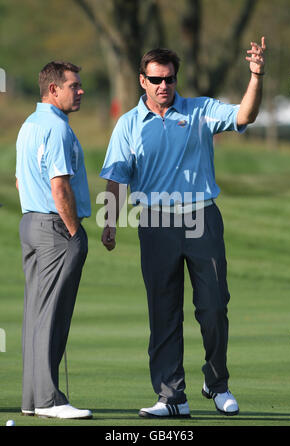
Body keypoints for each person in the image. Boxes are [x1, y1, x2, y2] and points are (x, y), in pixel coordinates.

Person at [100, 38, 266, 418]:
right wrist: (110, 221)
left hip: (200, 217)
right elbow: (116, 177)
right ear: (143, 80)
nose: (164, 86)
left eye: (170, 79)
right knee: (163, 312)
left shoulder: (200, 111)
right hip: (155, 222)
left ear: (176, 79)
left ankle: (216, 382)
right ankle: (171, 397)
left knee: (213, 307)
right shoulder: (128, 124)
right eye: (156, 79)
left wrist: (256, 76)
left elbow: (245, 116)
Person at [16, 61, 92, 419]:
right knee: (52, 315)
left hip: (30, 222)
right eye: (73, 86)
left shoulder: (29, 125)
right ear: (53, 90)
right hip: (55, 228)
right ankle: (49, 401)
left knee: (36, 315)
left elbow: (20, 181)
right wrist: (75, 231)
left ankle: (33, 399)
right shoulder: (56, 128)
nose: (80, 91)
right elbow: (59, 186)